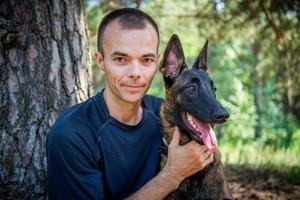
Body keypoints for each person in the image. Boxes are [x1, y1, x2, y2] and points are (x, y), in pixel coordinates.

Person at [47, 8, 217, 200]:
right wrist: (172, 175)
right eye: (121, 59)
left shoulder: (168, 114)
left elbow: (214, 172)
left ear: (158, 63)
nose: (135, 72)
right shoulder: (72, 134)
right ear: (101, 61)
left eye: (146, 60)